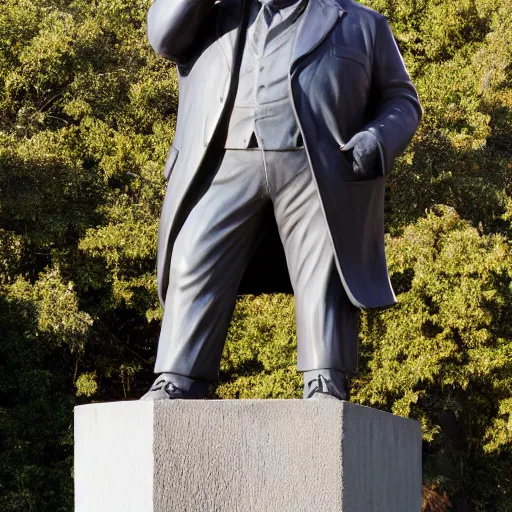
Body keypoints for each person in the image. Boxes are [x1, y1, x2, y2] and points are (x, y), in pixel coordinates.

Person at [141, 0, 422, 401]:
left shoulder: (363, 23)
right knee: (193, 256)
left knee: (323, 266)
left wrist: (377, 139)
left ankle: (325, 378)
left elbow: (402, 100)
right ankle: (179, 376)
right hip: (224, 159)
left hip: (315, 166)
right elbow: (163, 36)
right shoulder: (209, 13)